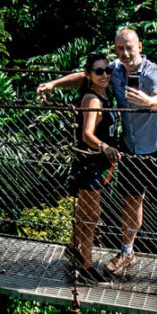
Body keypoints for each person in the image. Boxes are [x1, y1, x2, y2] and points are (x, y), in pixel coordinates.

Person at [106, 26, 157, 296]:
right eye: (120, 48)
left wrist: (148, 100)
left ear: (140, 46)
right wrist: (53, 84)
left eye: (129, 47)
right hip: (132, 148)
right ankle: (127, 252)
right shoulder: (114, 70)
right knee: (131, 202)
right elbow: (85, 75)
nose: (125, 53)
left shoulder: (152, 72)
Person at [35, 52, 123, 279]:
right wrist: (105, 146)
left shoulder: (103, 91)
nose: (105, 75)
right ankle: (87, 266)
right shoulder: (93, 99)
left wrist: (53, 84)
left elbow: (77, 78)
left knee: (85, 213)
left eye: (108, 70)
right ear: (90, 75)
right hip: (90, 163)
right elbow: (86, 134)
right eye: (99, 72)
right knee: (92, 216)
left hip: (98, 163)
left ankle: (74, 248)